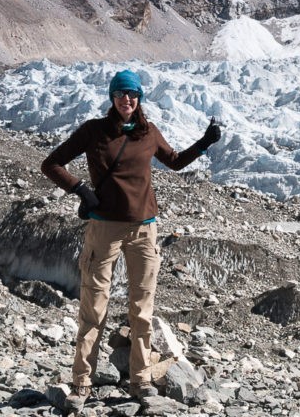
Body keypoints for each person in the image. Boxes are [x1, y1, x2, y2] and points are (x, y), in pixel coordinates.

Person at [40, 69, 221, 411]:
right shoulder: (94, 130)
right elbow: (51, 164)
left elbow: (175, 162)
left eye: (133, 94)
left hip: (144, 229)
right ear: (112, 97)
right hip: (104, 228)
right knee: (93, 306)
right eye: (121, 93)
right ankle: (82, 382)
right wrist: (80, 189)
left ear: (139, 98)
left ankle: (141, 379)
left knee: (142, 308)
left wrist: (204, 143)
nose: (127, 99)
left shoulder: (148, 132)